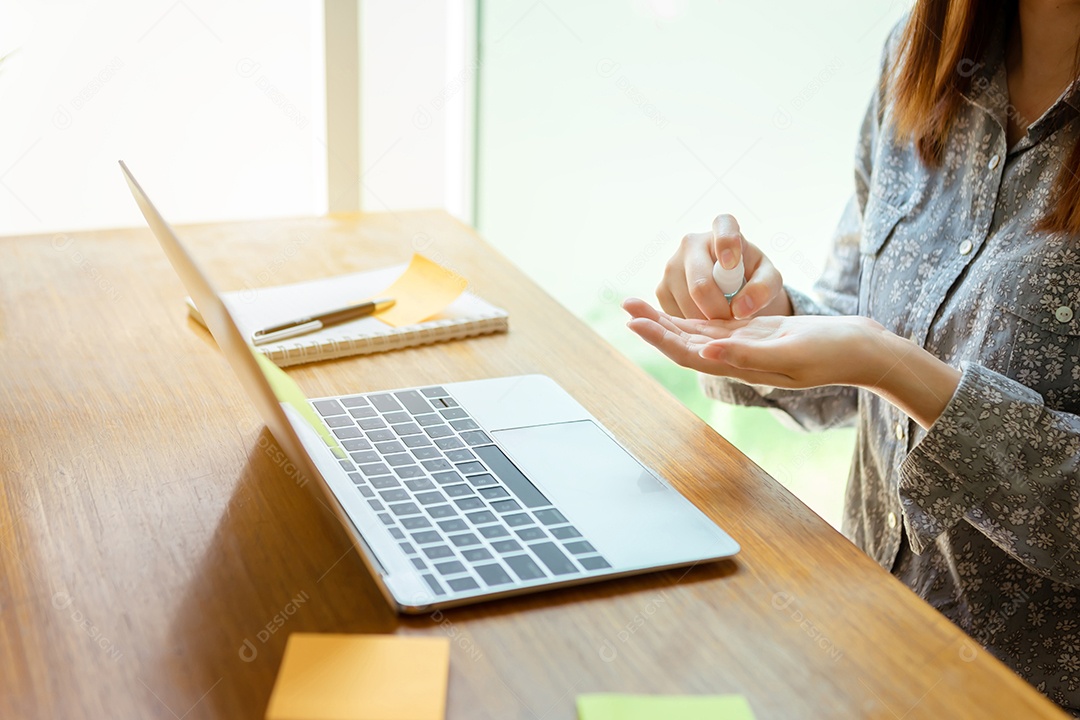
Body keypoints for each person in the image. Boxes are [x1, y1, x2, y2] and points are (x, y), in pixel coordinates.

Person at [623, 1, 1080, 715]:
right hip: (862, 654)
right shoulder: (923, 50)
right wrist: (762, 312)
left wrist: (892, 366)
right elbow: (859, 328)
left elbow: (880, 354)